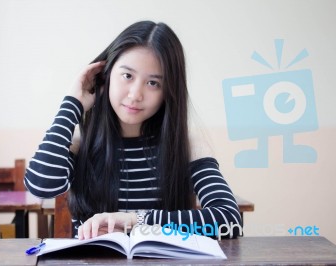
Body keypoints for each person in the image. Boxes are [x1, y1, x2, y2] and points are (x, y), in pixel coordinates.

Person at [24, 20, 242, 240]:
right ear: (106, 75)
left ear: (168, 91)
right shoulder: (82, 142)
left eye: (153, 83)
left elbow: (230, 222)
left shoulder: (187, 145)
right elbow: (40, 187)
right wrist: (72, 103)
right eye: (127, 76)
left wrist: (135, 220)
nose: (135, 94)